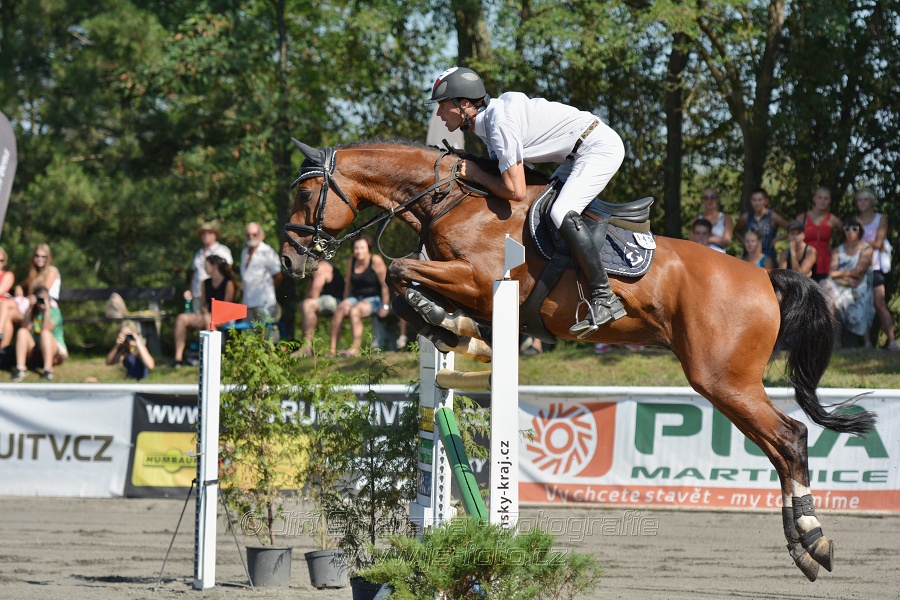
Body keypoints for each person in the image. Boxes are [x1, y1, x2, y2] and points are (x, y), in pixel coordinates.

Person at [429, 66, 626, 338]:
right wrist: (471, 161)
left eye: (443, 105)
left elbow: (515, 189)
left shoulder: (499, 123)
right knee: (539, 209)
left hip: (598, 148)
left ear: (464, 104)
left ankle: (605, 297)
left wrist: (474, 173)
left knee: (560, 212)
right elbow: (504, 174)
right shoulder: (490, 121)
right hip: (576, 154)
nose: (439, 112)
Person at [173, 254, 239, 366]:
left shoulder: (228, 283)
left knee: (209, 320)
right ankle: (178, 358)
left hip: (223, 316)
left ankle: (213, 357)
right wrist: (205, 313)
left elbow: (226, 307)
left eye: (207, 266)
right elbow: (203, 305)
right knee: (181, 318)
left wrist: (210, 316)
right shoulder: (205, 283)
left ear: (215, 266)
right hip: (207, 315)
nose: (205, 268)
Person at [330, 236, 390, 356]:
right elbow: (348, 285)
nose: (359, 251)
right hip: (356, 297)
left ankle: (355, 349)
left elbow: (385, 285)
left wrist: (385, 306)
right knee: (339, 309)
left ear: (368, 248)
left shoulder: (375, 260)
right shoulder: (351, 261)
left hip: (374, 299)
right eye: (356, 248)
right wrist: (345, 302)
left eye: (362, 248)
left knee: (354, 311)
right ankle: (332, 350)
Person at [819, 217, 875, 346]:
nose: (850, 232)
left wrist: (840, 274)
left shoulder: (866, 249)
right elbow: (831, 273)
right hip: (840, 284)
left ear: (860, 231)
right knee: (825, 285)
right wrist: (846, 277)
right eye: (847, 228)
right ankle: (833, 338)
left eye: (854, 229)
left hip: (860, 285)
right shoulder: (838, 249)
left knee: (857, 298)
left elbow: (858, 272)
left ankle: (867, 343)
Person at [855, 187, 898, 350]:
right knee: (862, 304)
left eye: (865, 199)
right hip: (859, 267)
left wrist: (860, 243)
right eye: (859, 200)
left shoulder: (881, 219)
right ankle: (867, 343)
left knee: (879, 303)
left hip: (876, 267)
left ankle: (892, 341)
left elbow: (878, 243)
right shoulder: (856, 220)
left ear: (872, 202)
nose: (862, 203)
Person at [0, 243, 60, 350]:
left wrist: (29, 299)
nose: (40, 259)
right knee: (7, 313)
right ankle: (3, 350)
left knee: (5, 304)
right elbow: (21, 286)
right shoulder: (35, 274)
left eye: (43, 256)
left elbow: (43, 293)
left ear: (48, 258)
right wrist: (19, 290)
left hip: (46, 309)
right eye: (37, 256)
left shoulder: (51, 272)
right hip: (33, 307)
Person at [11, 286, 67, 381]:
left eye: (44, 298)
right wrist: (30, 307)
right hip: (36, 350)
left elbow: (46, 328)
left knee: (45, 333)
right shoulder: (33, 312)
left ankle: (48, 369)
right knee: (22, 331)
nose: (41, 301)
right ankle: (20, 368)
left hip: (55, 352)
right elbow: (25, 327)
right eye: (39, 298)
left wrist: (47, 310)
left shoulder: (55, 311)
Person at [292, 259, 345, 357]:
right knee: (305, 305)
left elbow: (314, 294)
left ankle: (307, 348)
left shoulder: (321, 267)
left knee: (307, 305)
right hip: (326, 300)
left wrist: (306, 303)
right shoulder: (313, 269)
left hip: (336, 301)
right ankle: (306, 347)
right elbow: (309, 293)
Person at [239, 222, 283, 325]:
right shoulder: (244, 252)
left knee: (268, 333)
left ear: (262, 236)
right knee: (248, 333)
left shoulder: (268, 252)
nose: (251, 237)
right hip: (247, 303)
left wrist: (269, 290)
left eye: (254, 234)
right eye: (248, 235)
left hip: (264, 303)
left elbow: (279, 275)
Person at [795, 187, 842, 282]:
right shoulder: (802, 217)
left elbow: (848, 234)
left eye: (826, 198)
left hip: (825, 259)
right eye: (820, 198)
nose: (822, 201)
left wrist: (836, 249)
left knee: (823, 288)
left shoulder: (833, 219)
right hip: (806, 258)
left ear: (830, 201)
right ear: (814, 199)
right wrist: (779, 238)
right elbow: (792, 234)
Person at [184, 221, 233, 313]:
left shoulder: (222, 250)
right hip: (197, 294)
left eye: (209, 233)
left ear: (215, 235)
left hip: (214, 295)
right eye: (203, 233)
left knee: (211, 319)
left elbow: (228, 271)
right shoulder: (198, 253)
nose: (206, 235)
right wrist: (190, 290)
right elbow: (195, 273)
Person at [734, 187, 790, 262]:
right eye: (754, 200)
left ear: (766, 201)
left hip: (768, 256)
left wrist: (777, 239)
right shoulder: (746, 217)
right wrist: (745, 241)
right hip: (751, 257)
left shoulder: (772, 216)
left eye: (760, 200)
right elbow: (736, 231)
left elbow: (792, 229)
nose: (757, 203)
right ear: (750, 201)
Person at [692, 188, 733, 253]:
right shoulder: (696, 219)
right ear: (703, 200)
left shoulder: (726, 219)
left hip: (719, 255)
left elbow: (726, 242)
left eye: (713, 197)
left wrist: (708, 239)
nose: (710, 200)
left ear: (717, 199)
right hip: (699, 254)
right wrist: (717, 240)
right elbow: (691, 241)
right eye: (706, 198)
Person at [0, 247, 16, 347]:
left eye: (1, 260)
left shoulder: (8, 275)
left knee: (5, 313)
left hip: (3, 305)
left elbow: (1, 291)